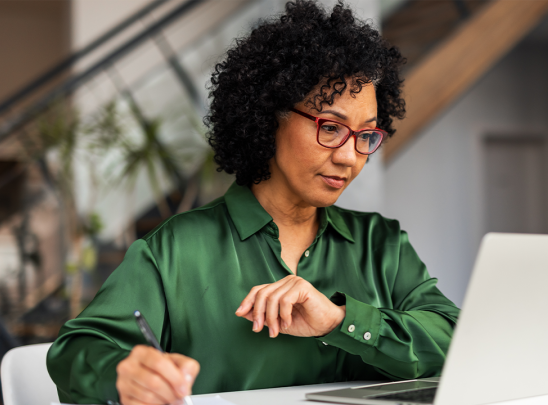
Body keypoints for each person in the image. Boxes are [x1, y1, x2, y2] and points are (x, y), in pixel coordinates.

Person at [46, 1, 460, 404]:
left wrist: (341, 320)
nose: (350, 156)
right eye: (331, 128)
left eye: (366, 135)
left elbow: (456, 339)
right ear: (268, 117)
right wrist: (122, 375)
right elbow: (76, 352)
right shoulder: (176, 250)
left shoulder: (381, 244)